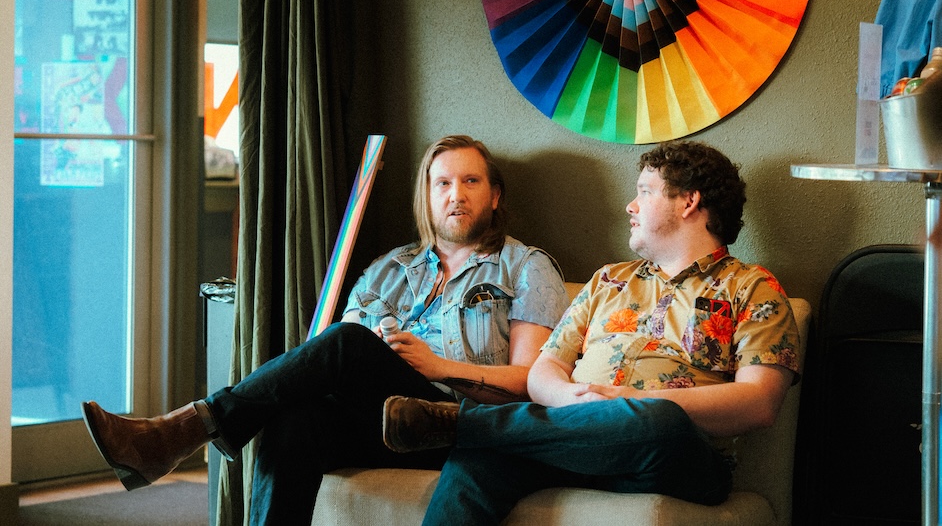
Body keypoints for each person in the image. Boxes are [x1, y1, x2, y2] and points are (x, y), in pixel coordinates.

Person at [81, 134, 570, 525]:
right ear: (426, 196)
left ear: (494, 194)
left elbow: (528, 383)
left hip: (456, 425)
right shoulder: (390, 268)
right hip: (383, 421)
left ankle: (183, 430)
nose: (456, 195)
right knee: (293, 423)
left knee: (351, 343)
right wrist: (380, 351)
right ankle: (188, 431)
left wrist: (438, 365)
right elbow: (339, 349)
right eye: (441, 183)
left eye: (470, 182)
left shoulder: (525, 267)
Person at [382, 140, 801, 525]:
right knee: (479, 458)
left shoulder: (752, 287)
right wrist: (567, 398)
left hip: (672, 455)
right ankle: (474, 431)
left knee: (658, 421)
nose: (630, 206)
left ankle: (466, 423)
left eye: (646, 192)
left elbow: (760, 402)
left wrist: (632, 401)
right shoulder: (608, 281)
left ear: (689, 201)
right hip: (575, 438)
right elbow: (543, 371)